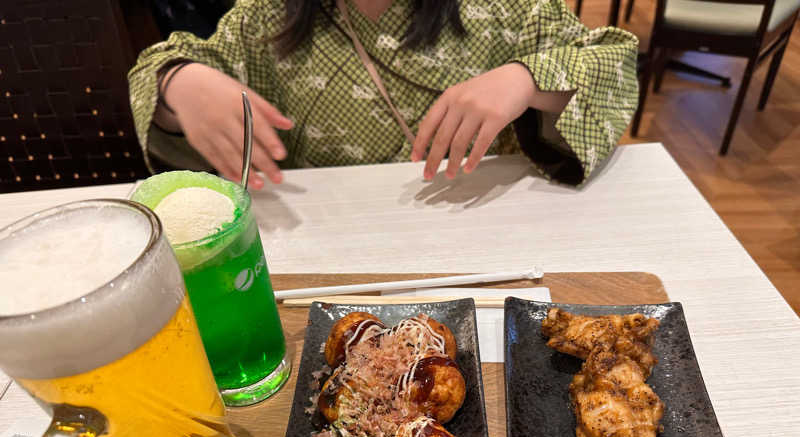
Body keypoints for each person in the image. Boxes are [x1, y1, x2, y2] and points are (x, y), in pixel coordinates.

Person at [129, 0, 639, 189]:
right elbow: (163, 68)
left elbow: (613, 59)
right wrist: (178, 80)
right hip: (330, 251)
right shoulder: (264, 17)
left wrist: (526, 79)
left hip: (478, 233)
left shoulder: (509, 10)